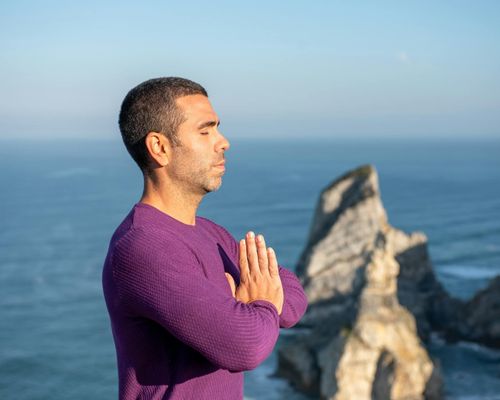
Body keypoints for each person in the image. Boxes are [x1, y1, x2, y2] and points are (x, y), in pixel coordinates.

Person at [102, 77, 308, 399]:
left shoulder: (211, 233)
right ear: (160, 148)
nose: (223, 142)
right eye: (205, 130)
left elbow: (294, 302)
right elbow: (247, 346)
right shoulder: (142, 248)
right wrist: (261, 303)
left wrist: (250, 306)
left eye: (218, 128)